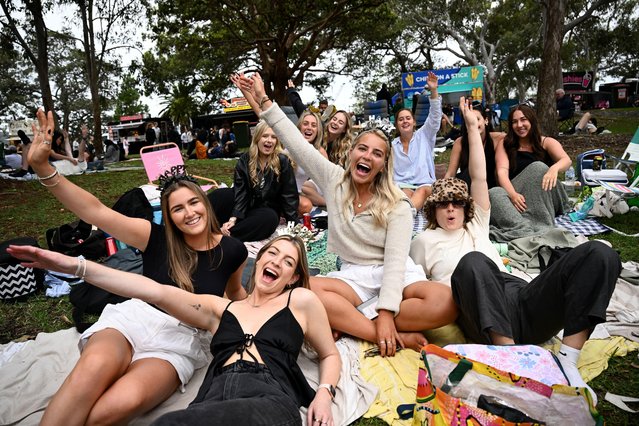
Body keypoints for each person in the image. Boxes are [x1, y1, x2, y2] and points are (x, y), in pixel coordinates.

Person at [27, 108, 248, 425]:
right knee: (90, 373)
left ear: (205, 202)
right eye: (177, 209)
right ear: (169, 217)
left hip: (180, 343)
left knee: (116, 406)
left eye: (194, 203)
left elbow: (236, 293)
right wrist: (43, 167)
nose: (189, 213)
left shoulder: (234, 249)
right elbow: (96, 211)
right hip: (135, 320)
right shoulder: (153, 236)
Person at [410, 97, 620, 406]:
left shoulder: (476, 223)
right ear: (433, 211)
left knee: (600, 252)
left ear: (467, 208)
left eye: (457, 203)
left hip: (519, 298)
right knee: (473, 262)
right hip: (478, 311)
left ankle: (567, 363)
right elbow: (410, 287)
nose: (451, 208)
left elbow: (480, 175)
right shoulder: (422, 242)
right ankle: (511, 364)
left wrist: (472, 127)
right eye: (443, 204)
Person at [232, 71, 456, 357]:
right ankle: (378, 333)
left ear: (383, 164)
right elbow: (297, 145)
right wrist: (263, 98)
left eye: (376, 154)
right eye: (362, 148)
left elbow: (395, 260)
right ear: (351, 154)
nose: (367, 156)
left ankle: (350, 321)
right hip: (354, 277)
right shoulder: (334, 179)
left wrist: (387, 311)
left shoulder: (398, 203)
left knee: (445, 301)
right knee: (300, 289)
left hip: (395, 274)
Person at [8, 234, 341, 426]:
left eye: (289, 262)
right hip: (213, 396)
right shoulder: (220, 309)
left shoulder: (300, 300)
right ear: (261, 258)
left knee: (170, 424)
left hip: (267, 396)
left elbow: (328, 353)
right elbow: (154, 291)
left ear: (294, 277)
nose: (278, 263)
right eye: (274, 253)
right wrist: (74, 266)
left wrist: (324, 393)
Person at [489, 103, 572, 241]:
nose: (519, 125)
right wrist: (513, 195)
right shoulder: (505, 144)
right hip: (518, 197)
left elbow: (566, 160)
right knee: (494, 193)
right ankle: (524, 229)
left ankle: (540, 223)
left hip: (546, 196)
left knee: (538, 168)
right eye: (514, 122)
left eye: (523, 119)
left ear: (532, 120)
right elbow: (501, 173)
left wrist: (553, 168)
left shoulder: (546, 142)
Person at [208, 119, 299, 242]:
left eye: (273, 137)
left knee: (270, 218)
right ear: (257, 138)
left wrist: (294, 224)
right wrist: (233, 218)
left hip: (264, 210)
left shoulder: (282, 161)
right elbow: (241, 191)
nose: (269, 140)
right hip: (243, 203)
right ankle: (203, 226)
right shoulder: (245, 159)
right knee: (221, 194)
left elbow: (289, 194)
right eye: (265, 136)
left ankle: (224, 236)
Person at [391, 71, 442, 210]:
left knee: (422, 191)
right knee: (404, 193)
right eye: (401, 119)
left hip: (424, 185)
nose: (405, 121)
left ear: (414, 122)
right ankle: (407, 215)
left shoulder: (424, 135)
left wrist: (434, 90)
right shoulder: (392, 146)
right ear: (396, 125)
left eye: (408, 118)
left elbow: (435, 116)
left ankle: (407, 215)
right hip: (402, 186)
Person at [300, 109, 354, 207]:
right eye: (334, 119)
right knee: (306, 188)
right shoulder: (317, 137)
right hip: (312, 179)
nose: (335, 123)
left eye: (340, 122)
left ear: (344, 129)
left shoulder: (345, 147)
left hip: (328, 181)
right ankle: (332, 205)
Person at [445, 106, 505, 190]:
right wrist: (444, 190)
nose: (473, 123)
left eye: (477, 119)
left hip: (491, 186)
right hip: (468, 185)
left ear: (486, 121)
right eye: (469, 121)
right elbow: (451, 172)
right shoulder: (460, 142)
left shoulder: (497, 139)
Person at [292, 110, 328, 215]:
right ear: (299, 127)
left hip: (302, 194)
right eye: (305, 123)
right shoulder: (289, 146)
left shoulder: (320, 152)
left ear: (317, 130)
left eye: (314, 125)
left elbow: (328, 179)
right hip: (285, 193)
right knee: (305, 204)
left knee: (306, 203)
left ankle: (330, 204)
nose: (309, 128)